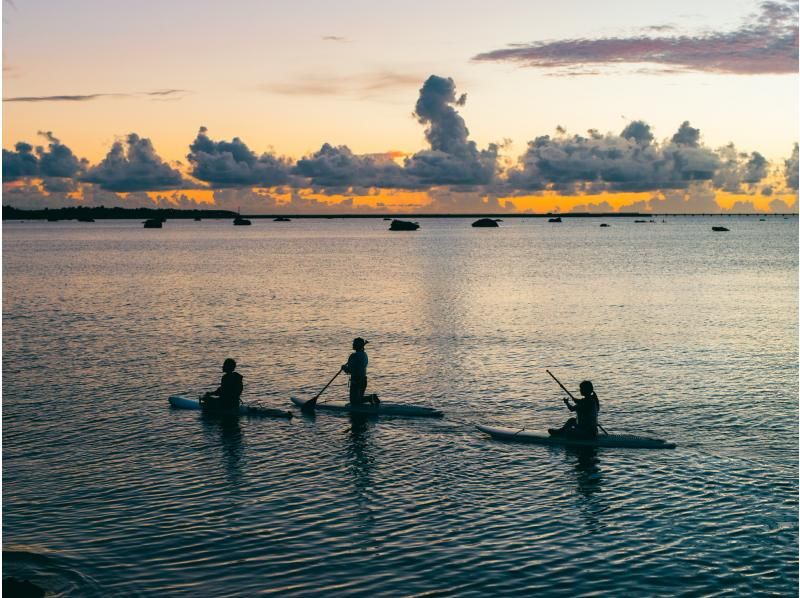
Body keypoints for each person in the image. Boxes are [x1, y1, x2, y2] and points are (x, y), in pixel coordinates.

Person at [342, 337, 378, 406]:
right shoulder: (364, 355)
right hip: (363, 380)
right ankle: (371, 398)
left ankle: (370, 398)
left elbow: (350, 370)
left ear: (357, 345)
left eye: (354, 343)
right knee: (358, 399)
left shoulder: (353, 356)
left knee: (354, 402)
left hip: (356, 381)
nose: (352, 344)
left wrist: (344, 368)